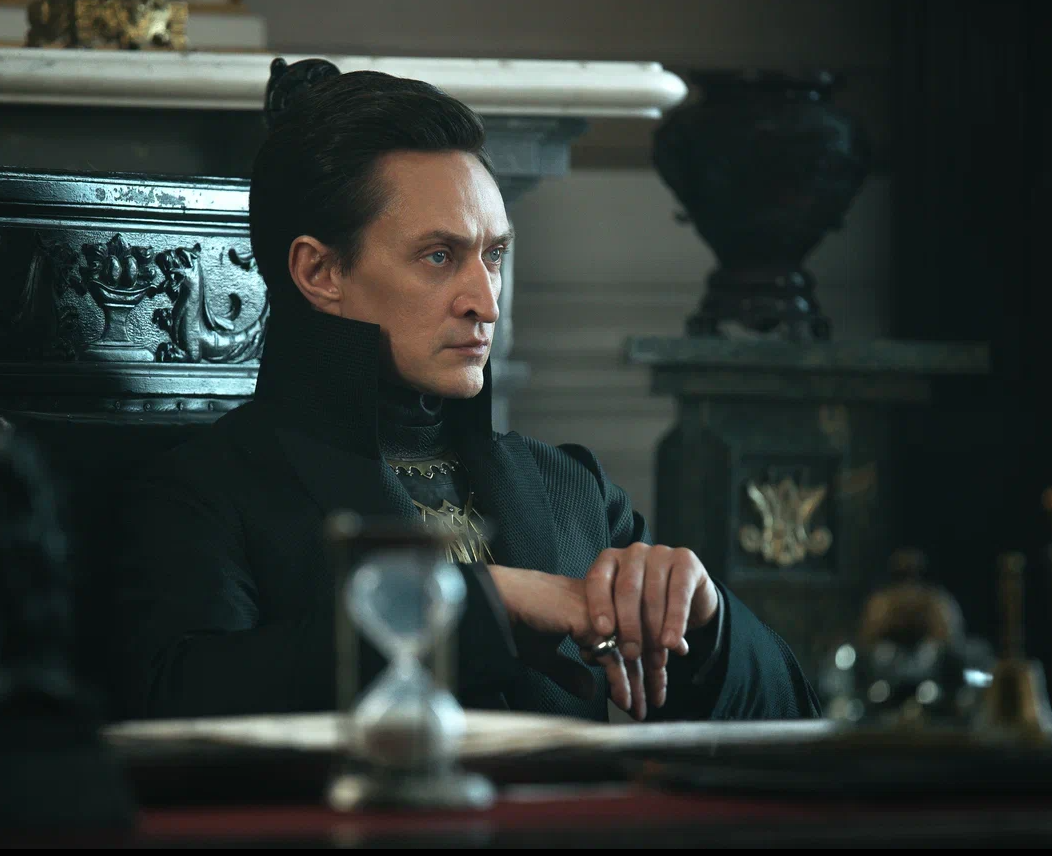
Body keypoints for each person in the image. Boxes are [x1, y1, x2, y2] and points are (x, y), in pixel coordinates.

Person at [103, 58, 821, 724]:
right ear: (319, 273)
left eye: (494, 255)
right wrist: (483, 603)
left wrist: (708, 623)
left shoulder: (571, 487)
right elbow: (180, 703)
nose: (486, 300)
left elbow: (796, 727)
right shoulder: (205, 492)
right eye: (439, 256)